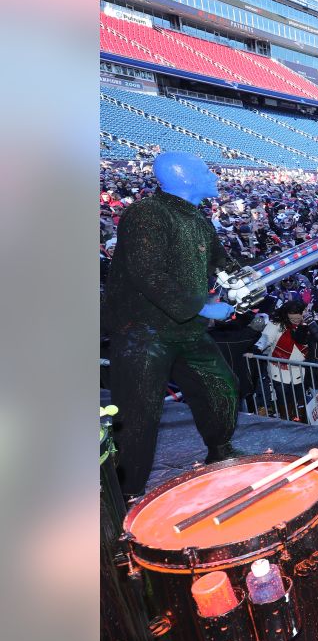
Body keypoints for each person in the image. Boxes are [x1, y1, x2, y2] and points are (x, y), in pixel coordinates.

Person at [106, 151, 240, 498]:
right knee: (138, 415)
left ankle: (220, 450)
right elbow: (148, 273)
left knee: (220, 387)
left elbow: (222, 261)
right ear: (184, 176)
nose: (213, 173)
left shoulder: (197, 219)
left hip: (185, 329)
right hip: (143, 332)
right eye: (204, 168)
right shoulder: (146, 213)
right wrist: (204, 308)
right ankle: (126, 494)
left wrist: (249, 277)